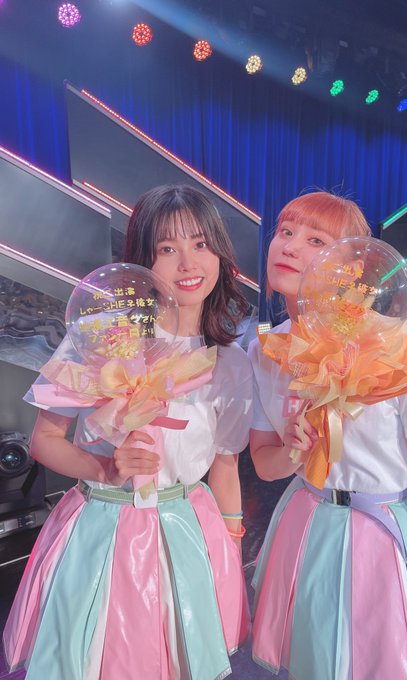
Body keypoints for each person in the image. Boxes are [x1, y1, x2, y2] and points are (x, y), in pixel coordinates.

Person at [3, 185, 253, 680]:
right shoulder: (102, 337)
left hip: (190, 528)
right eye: (167, 248)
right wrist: (105, 468)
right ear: (142, 260)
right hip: (104, 528)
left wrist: (231, 554)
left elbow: (225, 467)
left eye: (201, 244)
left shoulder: (231, 363)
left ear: (221, 256)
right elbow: (44, 441)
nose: (188, 263)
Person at [248, 191, 407, 679]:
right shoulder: (267, 351)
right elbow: (264, 466)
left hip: (385, 539)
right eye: (285, 231)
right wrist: (293, 451)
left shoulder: (398, 343)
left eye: (316, 240)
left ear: (350, 267)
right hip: (308, 527)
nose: (290, 246)